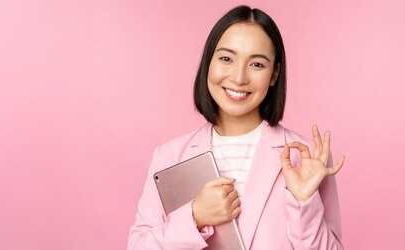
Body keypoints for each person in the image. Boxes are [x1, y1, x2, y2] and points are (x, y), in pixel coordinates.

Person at [128, 5, 344, 249]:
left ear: (274, 75)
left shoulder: (306, 158)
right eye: (226, 59)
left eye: (257, 65)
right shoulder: (168, 156)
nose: (239, 77)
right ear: (208, 62)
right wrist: (195, 217)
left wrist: (303, 202)